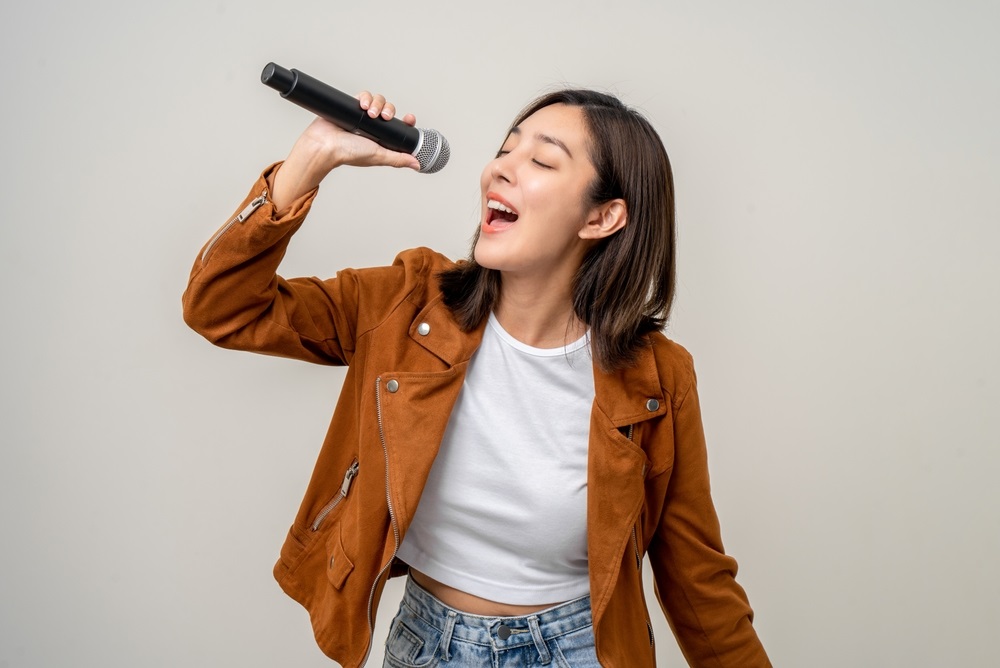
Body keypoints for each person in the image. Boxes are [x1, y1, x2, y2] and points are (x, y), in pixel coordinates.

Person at [183, 88, 771, 668]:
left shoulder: (657, 376)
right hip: (425, 644)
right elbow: (221, 308)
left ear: (602, 216)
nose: (500, 170)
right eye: (506, 150)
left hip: (578, 651)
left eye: (541, 161)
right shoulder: (405, 302)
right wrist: (308, 162)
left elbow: (696, 575)